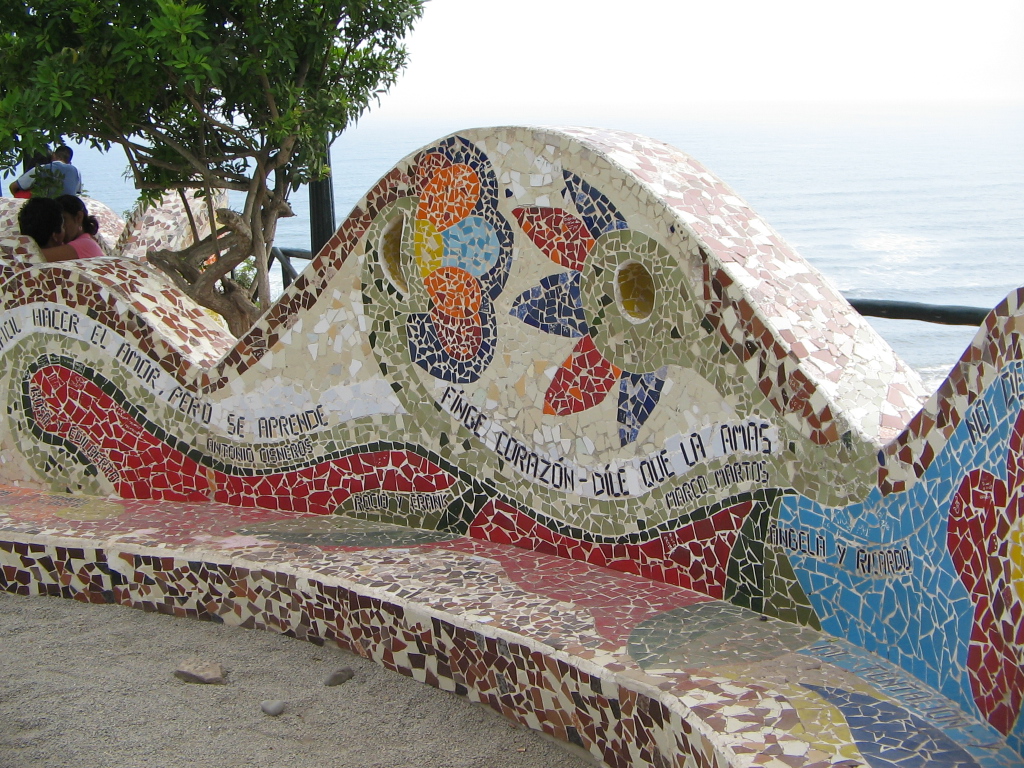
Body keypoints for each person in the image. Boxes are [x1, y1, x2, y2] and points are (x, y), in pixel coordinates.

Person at [18, 196, 102, 262]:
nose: (61, 226)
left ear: (79, 217)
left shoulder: (86, 245)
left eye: (63, 220)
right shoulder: (72, 244)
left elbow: (29, 257)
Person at [9, 146, 83, 198]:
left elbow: (13, 186)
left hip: (45, 207)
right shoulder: (76, 171)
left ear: (53, 154)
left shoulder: (41, 169)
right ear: (69, 161)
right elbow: (77, 192)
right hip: (67, 208)